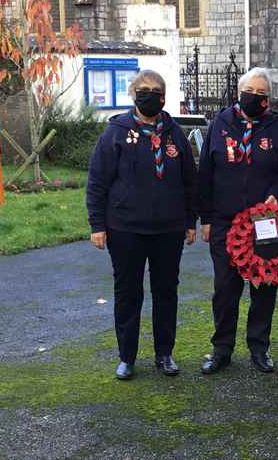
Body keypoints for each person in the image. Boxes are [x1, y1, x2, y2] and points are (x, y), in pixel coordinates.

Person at [86, 70, 197, 380]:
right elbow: (97, 181)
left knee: (166, 293)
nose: (149, 94)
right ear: (133, 93)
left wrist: (190, 221)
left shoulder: (175, 134)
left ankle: (165, 353)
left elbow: (190, 182)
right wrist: (98, 224)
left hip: (168, 230)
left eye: (155, 90)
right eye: (143, 89)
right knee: (128, 293)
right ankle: (127, 357)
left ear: (163, 96)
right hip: (125, 229)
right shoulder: (116, 132)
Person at [198, 67, 278, 375]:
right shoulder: (220, 124)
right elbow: (206, 174)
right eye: (250, 92)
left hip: (265, 223)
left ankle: (259, 347)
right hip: (225, 222)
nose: (255, 98)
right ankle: (221, 349)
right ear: (238, 93)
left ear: (268, 99)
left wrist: (277, 192)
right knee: (225, 288)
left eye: (262, 94)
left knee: (264, 286)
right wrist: (205, 218)